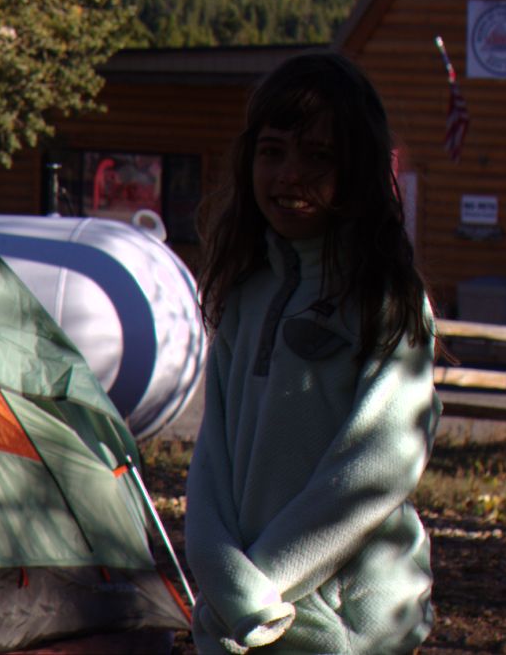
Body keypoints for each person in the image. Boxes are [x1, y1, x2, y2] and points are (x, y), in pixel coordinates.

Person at [186, 52, 439, 654]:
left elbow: (380, 464)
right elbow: (211, 459)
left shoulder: (384, 298)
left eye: (318, 156)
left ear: (357, 170)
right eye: (273, 151)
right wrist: (225, 585)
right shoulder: (245, 292)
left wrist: (255, 589)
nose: (289, 174)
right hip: (242, 622)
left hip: (345, 626)